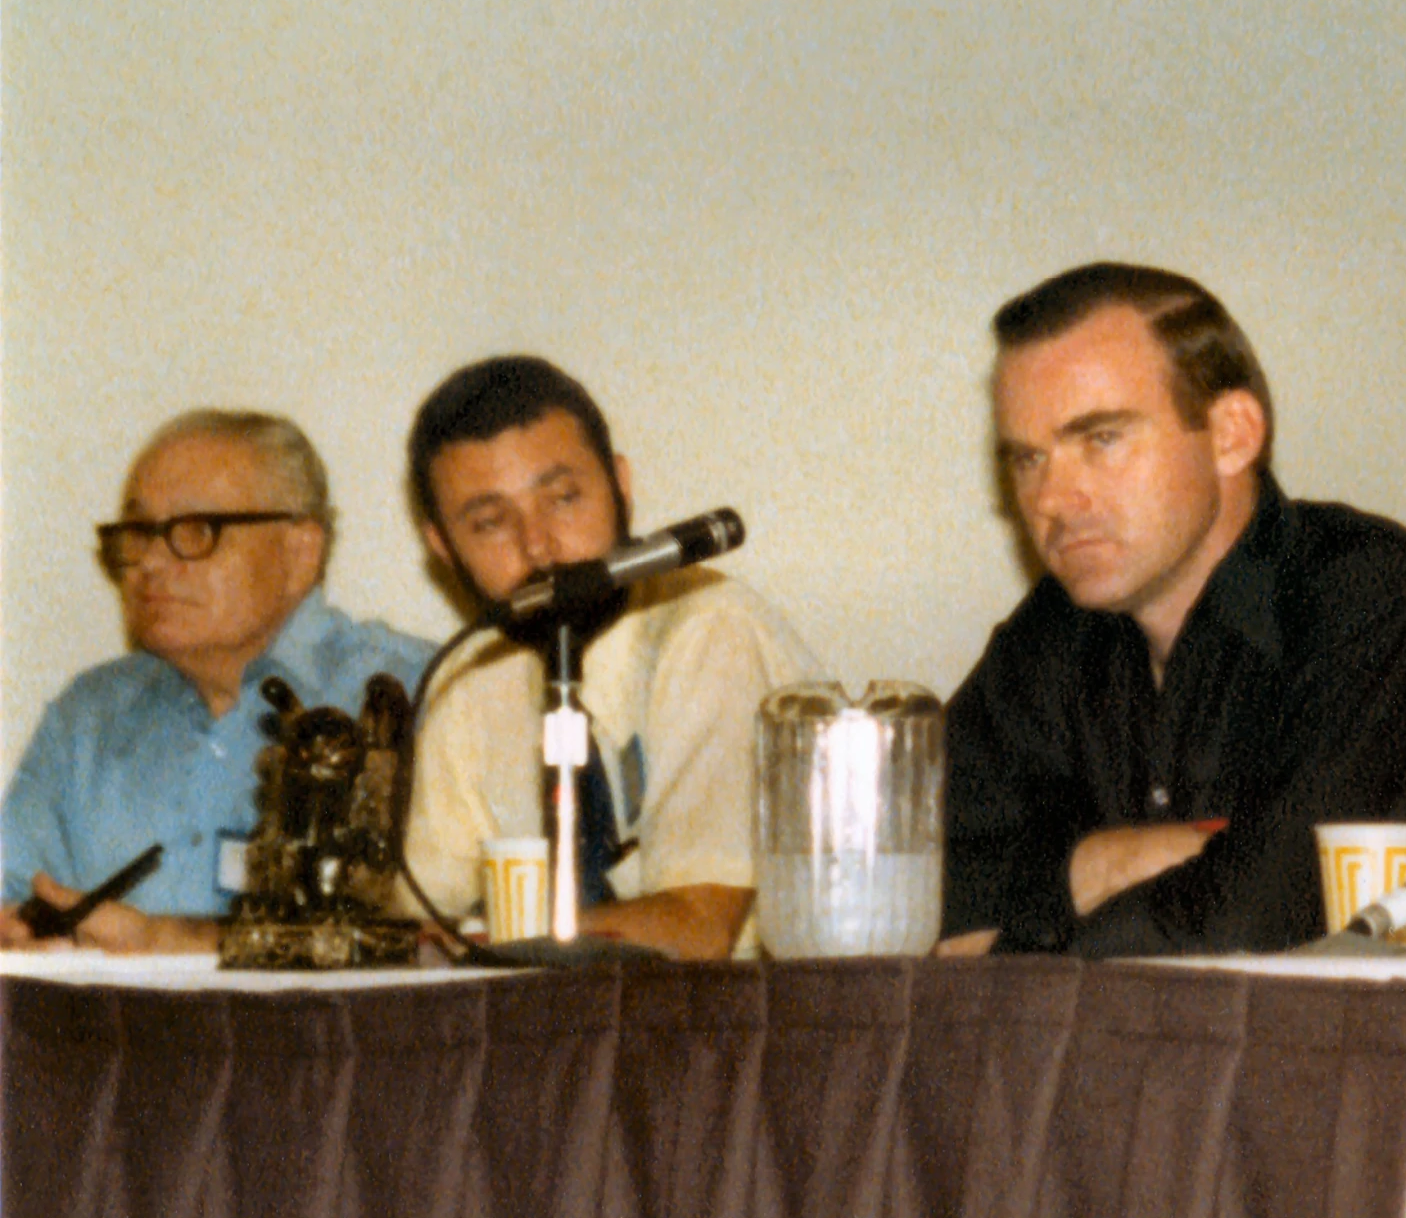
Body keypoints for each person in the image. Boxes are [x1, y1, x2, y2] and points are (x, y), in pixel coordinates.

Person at [937, 262, 1406, 958]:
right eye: (1028, 459)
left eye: (1102, 439)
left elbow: (1249, 931)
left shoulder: (1374, 598)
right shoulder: (1050, 639)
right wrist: (1107, 864)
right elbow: (922, 919)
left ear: (1232, 435)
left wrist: (1031, 921)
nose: (1053, 499)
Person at [401, 355, 818, 958]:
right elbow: (418, 919)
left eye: (564, 498)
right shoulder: (469, 681)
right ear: (442, 546)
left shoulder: (708, 630)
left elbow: (698, 930)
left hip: (741, 1033)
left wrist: (484, 943)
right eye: (491, 523)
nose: (539, 546)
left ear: (620, 485)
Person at [1, 410, 434, 953]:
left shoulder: (419, 693)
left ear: (300, 552)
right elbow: (11, 895)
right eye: (138, 534)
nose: (151, 564)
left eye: (194, 532)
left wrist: (172, 943)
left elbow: (454, 939)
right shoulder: (88, 720)